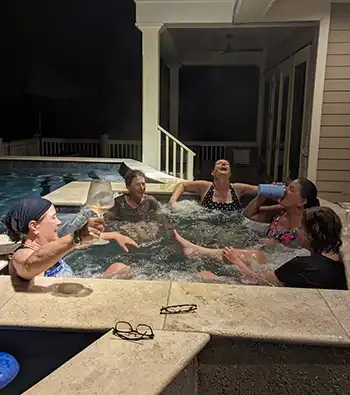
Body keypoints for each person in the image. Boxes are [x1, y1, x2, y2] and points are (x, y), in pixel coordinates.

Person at [3, 197, 137, 280]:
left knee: (120, 268)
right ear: (34, 226)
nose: (59, 222)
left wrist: (114, 235)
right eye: (53, 217)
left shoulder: (52, 245)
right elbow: (29, 265)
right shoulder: (21, 255)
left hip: (72, 292)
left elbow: (79, 243)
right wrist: (77, 236)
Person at [223, 206, 348, 290]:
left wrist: (236, 261)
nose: (295, 230)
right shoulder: (337, 261)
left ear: (310, 235)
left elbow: (257, 280)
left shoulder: (302, 265)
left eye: (300, 228)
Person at [244, 178, 320, 247]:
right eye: (286, 187)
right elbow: (248, 214)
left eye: (291, 189)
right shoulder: (280, 212)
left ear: (302, 202)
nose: (285, 190)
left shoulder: (307, 226)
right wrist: (264, 194)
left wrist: (277, 245)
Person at [168, 159, 257, 212]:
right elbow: (182, 185)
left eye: (226, 164)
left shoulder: (237, 188)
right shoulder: (205, 186)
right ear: (213, 173)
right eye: (219, 164)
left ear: (230, 173)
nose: (223, 164)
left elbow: (258, 189)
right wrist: (173, 201)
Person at [106, 169, 166, 243]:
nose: (142, 188)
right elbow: (107, 222)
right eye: (138, 184)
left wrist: (154, 226)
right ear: (128, 187)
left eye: (143, 184)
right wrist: (126, 226)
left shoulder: (150, 201)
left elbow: (161, 219)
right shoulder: (119, 203)